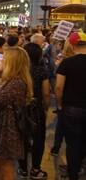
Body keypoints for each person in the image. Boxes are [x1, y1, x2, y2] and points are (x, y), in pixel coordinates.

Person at [0, 46, 33, 180]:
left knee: (6, 165)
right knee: (1, 162)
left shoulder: (16, 83)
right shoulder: (13, 80)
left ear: (12, 62)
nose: (1, 61)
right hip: (4, 126)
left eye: (4, 59)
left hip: (8, 129)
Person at [55, 31, 86, 180]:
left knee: (73, 143)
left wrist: (60, 104)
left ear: (72, 46)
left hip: (71, 109)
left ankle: (73, 173)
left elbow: (59, 87)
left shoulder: (66, 63)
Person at [17, 43, 50, 179]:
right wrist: (46, 108)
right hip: (36, 108)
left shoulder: (19, 70)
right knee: (38, 139)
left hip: (21, 107)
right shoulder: (42, 70)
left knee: (21, 138)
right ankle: (36, 169)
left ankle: (23, 168)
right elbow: (46, 93)